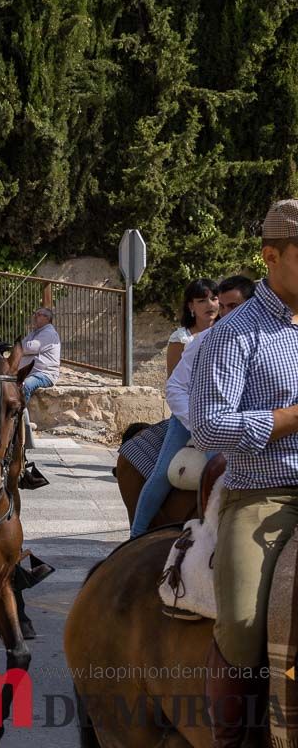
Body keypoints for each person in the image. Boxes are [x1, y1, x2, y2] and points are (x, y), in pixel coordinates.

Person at [190, 200, 298, 745]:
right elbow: (210, 428)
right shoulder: (235, 334)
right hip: (264, 493)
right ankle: (236, 739)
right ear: (271, 256)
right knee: (242, 625)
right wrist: (290, 418)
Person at [129, 275, 255, 539]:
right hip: (193, 419)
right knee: (165, 474)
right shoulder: (203, 341)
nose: (227, 312)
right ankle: (136, 536)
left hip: (241, 423)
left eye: (235, 306)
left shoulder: (267, 341)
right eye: (225, 306)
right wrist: (198, 422)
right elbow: (175, 388)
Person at [165, 278, 219, 377]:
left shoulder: (229, 332)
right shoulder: (180, 339)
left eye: (214, 299)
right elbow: (173, 381)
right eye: (202, 301)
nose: (210, 305)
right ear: (191, 306)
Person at [16, 307, 61, 403]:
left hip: (44, 374)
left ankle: (20, 415)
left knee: (25, 387)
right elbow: (21, 346)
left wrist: (20, 347)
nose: (35, 317)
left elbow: (28, 348)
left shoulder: (49, 333)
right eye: (35, 314)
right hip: (30, 373)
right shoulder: (35, 332)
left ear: (47, 318)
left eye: (39, 314)